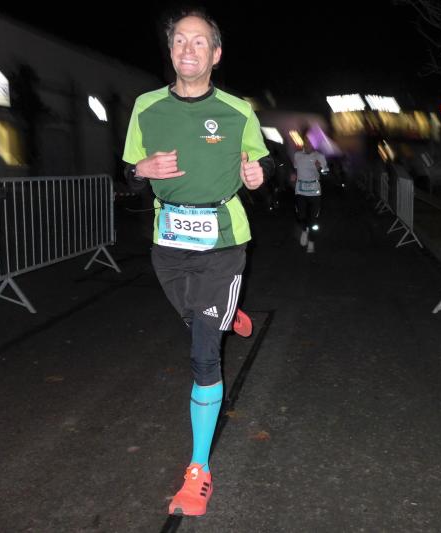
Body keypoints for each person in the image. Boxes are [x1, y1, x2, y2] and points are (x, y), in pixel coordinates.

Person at [121, 8, 273, 517]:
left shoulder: (236, 110)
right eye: (180, 41)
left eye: (200, 41)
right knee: (200, 319)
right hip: (168, 243)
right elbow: (128, 174)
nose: (189, 49)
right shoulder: (146, 106)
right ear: (171, 51)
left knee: (203, 353)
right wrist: (141, 170)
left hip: (223, 242)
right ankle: (227, 313)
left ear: (216, 53)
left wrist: (259, 174)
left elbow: (262, 159)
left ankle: (198, 470)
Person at [292, 134, 328, 253]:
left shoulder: (319, 156)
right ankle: (304, 230)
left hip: (314, 192)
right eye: (306, 141)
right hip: (300, 191)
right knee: (301, 216)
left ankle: (311, 242)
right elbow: (296, 168)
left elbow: (326, 172)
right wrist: (293, 175)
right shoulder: (297, 155)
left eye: (311, 142)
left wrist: (320, 168)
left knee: (313, 220)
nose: (308, 144)